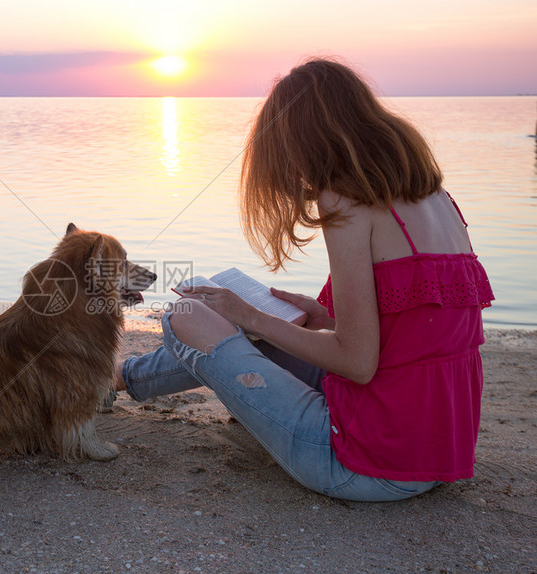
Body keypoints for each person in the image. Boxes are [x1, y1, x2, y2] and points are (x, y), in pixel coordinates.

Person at [116, 58, 494, 502]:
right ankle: (114, 380)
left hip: (362, 463)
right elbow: (417, 330)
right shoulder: (438, 199)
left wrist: (253, 317)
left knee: (185, 313)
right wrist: (323, 316)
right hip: (435, 457)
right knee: (259, 322)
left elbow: (357, 363)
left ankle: (110, 380)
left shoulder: (347, 202)